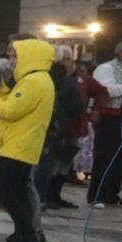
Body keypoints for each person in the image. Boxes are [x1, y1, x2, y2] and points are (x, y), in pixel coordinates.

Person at [0, 36, 56, 242]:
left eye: (15, 56)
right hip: (20, 145)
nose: (11, 61)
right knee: (17, 195)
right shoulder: (36, 80)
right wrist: (0, 87)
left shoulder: (34, 82)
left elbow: (9, 110)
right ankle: (21, 239)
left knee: (7, 194)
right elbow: (15, 102)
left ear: (29, 57)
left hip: (18, 147)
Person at [89, 41, 122, 206]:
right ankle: (96, 194)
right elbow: (106, 90)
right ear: (120, 53)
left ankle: (112, 194)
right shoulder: (106, 69)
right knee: (105, 156)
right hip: (108, 118)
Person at [40, 47, 85, 211]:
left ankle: (55, 196)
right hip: (60, 128)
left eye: (70, 59)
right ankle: (48, 196)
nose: (70, 63)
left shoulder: (73, 78)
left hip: (70, 127)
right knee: (53, 163)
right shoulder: (57, 79)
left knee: (64, 163)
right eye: (66, 59)